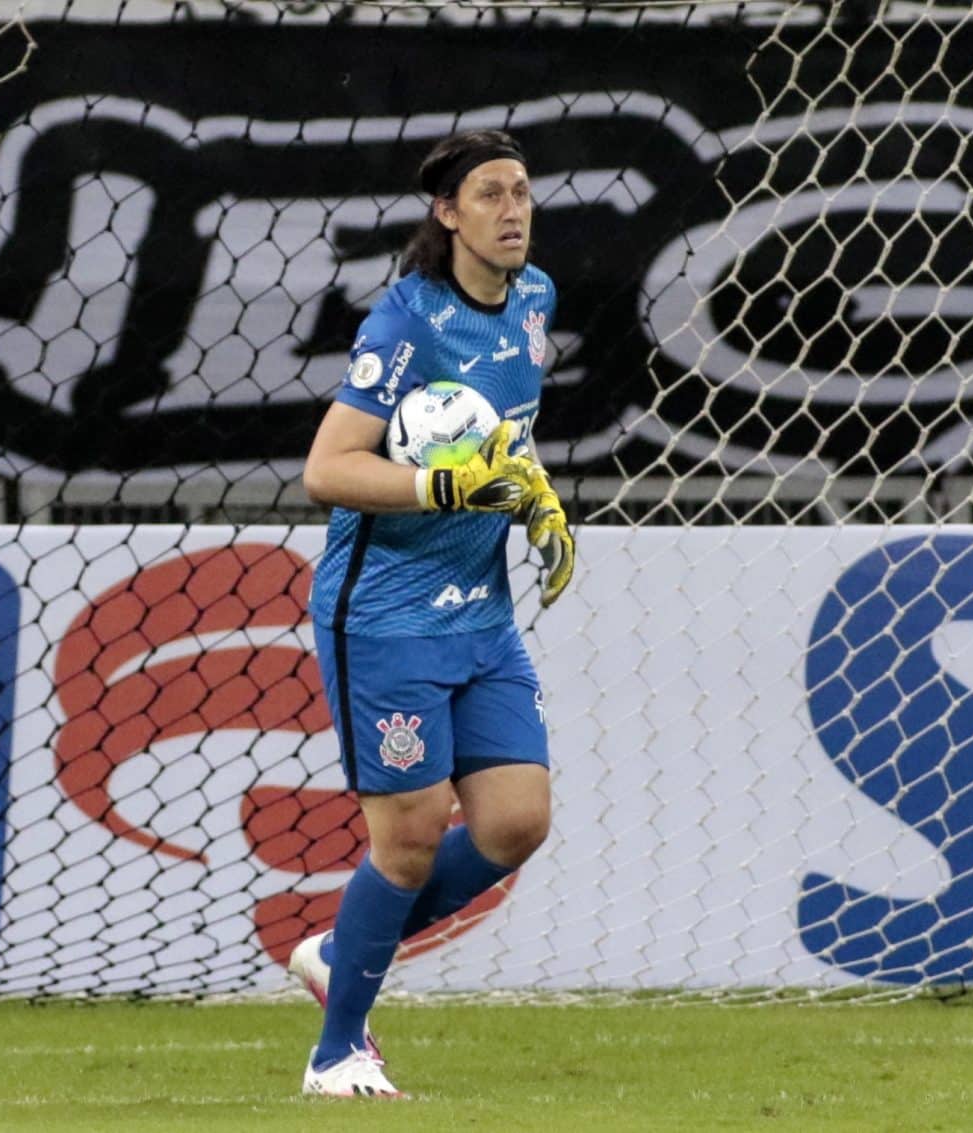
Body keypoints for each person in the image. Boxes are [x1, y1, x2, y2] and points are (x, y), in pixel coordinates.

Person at [293, 128, 575, 1098]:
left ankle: (343, 948)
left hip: (480, 617)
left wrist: (532, 498)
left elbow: (504, 442)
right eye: (490, 194)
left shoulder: (534, 302)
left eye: (523, 192)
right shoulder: (407, 321)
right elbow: (328, 469)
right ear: (448, 213)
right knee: (408, 837)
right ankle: (338, 1050)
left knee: (515, 821)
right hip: (384, 617)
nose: (512, 210)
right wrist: (444, 488)